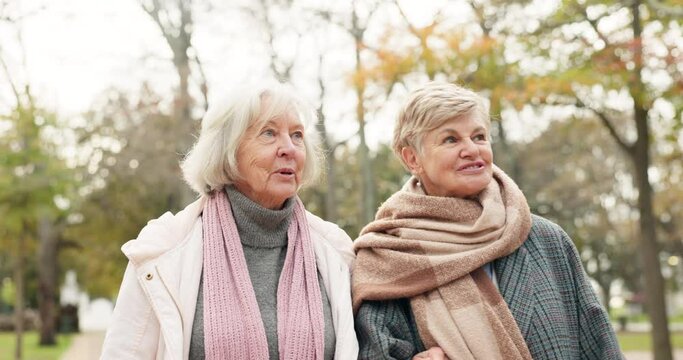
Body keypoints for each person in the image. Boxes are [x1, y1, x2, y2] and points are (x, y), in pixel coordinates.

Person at [352, 82, 623, 360]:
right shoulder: (387, 255)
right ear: (412, 158)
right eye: (451, 139)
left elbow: (601, 347)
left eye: (479, 136)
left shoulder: (546, 240)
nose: (471, 149)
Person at [100, 81, 358, 359]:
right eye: (269, 133)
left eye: (297, 135)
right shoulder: (162, 251)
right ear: (228, 151)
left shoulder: (337, 253)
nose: (289, 149)